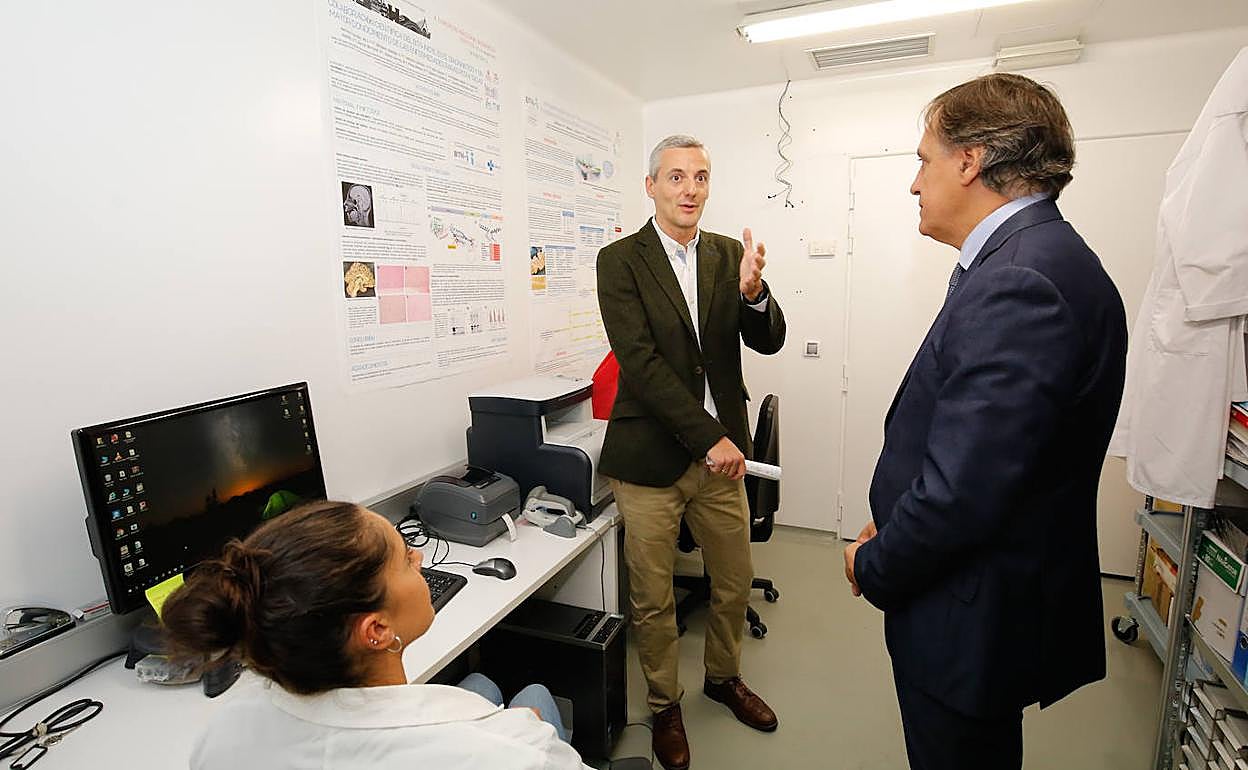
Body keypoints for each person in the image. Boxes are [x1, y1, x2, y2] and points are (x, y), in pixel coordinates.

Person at [843, 73, 1128, 770]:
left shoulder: (1020, 280)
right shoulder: (1036, 258)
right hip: (984, 593)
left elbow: (962, 495)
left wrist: (874, 563)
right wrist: (894, 517)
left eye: (924, 160)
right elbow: (985, 452)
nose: (915, 183)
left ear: (969, 161)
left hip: (968, 611)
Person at [596, 134, 786, 770]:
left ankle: (724, 678)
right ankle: (664, 705)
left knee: (733, 580)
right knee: (653, 598)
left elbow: (768, 340)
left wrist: (754, 294)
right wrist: (711, 438)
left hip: (720, 462)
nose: (690, 189)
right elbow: (642, 366)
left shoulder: (729, 254)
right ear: (650, 186)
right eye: (676, 176)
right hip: (651, 460)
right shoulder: (619, 261)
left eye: (700, 176)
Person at [162, 500, 588, 770]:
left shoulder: (223, 732)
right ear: (377, 629)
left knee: (480, 684)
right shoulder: (515, 753)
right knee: (534, 697)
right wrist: (524, 734)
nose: (418, 556)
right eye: (405, 559)